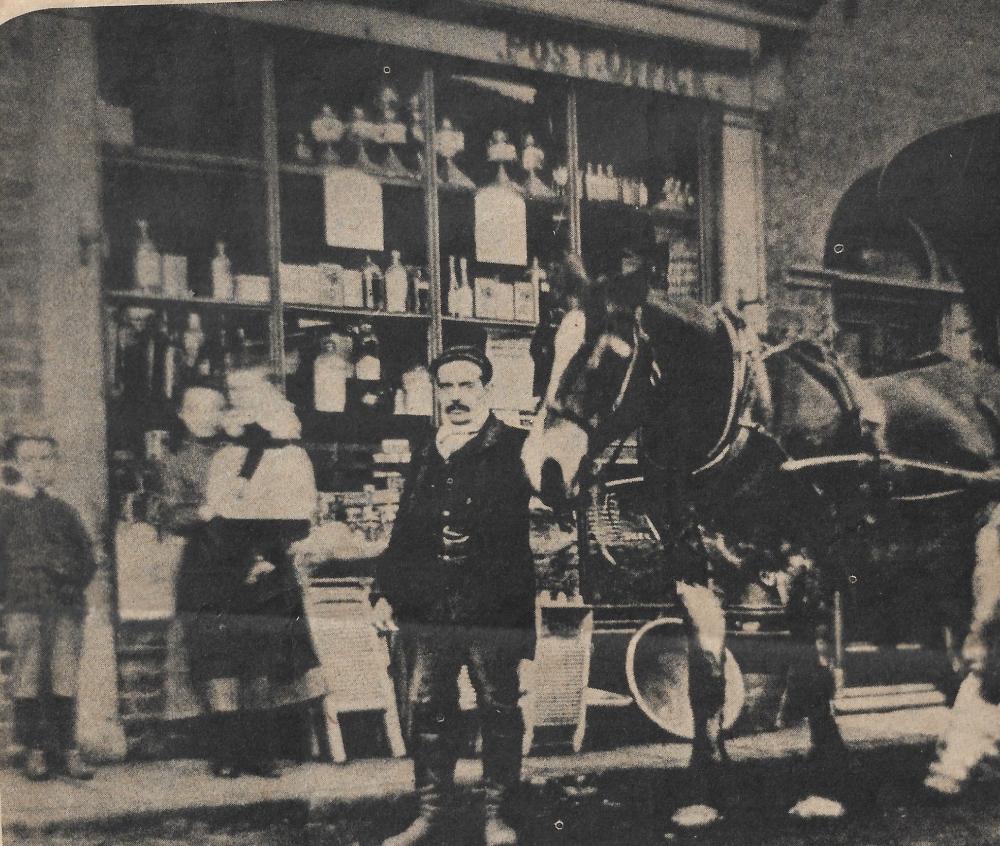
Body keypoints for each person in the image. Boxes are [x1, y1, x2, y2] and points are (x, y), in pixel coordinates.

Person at [376, 346, 535, 846]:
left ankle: (498, 815)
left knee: (498, 708)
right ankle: (431, 813)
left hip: (492, 606)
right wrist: (385, 593)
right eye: (447, 387)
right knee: (427, 707)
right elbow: (404, 530)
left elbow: (538, 511)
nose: (457, 397)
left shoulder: (516, 446)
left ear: (487, 389)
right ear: (436, 392)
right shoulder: (429, 449)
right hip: (430, 607)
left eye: (468, 385)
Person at [173, 373, 321, 778]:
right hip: (212, 564)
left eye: (219, 407)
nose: (210, 416)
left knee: (259, 657)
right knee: (218, 658)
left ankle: (258, 750)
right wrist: (207, 512)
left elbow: (292, 510)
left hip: (262, 562)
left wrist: (274, 550)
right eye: (198, 409)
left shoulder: (273, 450)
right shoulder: (196, 457)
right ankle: (225, 752)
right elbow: (176, 512)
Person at [0, 431, 98, 781]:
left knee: (64, 675)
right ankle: (35, 750)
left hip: (65, 605)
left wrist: (68, 577)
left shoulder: (64, 510)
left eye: (46, 459)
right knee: (27, 676)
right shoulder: (6, 507)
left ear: (56, 463)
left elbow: (87, 558)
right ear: (14, 464)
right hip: (24, 604)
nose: (39, 467)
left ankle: (67, 748)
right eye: (29, 459)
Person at [924, 501, 1000, 797]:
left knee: (981, 688)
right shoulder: (990, 533)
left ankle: (952, 769)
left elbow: (991, 588)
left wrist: (980, 627)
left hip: (994, 621)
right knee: (983, 688)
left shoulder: (991, 534)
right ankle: (961, 765)